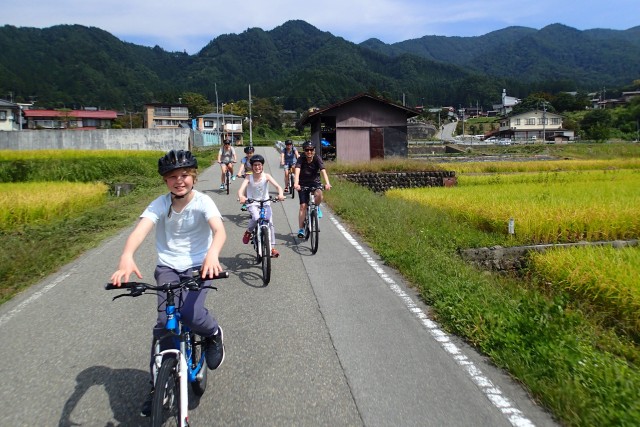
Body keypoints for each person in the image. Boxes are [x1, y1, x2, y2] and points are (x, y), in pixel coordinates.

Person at [109, 149, 227, 417]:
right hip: (168, 267)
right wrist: (127, 255)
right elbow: (140, 230)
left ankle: (213, 334)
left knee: (192, 313)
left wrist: (212, 255)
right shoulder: (160, 204)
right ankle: (157, 387)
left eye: (185, 174)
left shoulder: (204, 202)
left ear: (194, 177)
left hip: (200, 266)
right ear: (165, 181)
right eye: (172, 176)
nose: (179, 180)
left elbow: (219, 231)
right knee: (165, 325)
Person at [237, 154, 285, 258]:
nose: (257, 167)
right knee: (256, 217)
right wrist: (241, 196)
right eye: (255, 165)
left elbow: (278, 187)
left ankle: (271, 247)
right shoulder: (249, 177)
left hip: (266, 202)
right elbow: (241, 190)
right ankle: (249, 231)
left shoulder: (266, 176)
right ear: (252, 166)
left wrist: (280, 194)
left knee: (270, 223)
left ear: (262, 166)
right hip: (253, 202)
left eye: (259, 165)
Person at [293, 141, 332, 238]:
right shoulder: (301, 158)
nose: (309, 152)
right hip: (302, 183)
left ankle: (317, 207)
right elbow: (297, 171)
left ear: (314, 151)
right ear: (304, 151)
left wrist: (327, 183)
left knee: (319, 194)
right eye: (307, 150)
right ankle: (301, 228)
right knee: (303, 206)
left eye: (311, 150)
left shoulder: (317, 158)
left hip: (315, 182)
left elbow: (323, 171)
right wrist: (296, 183)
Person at [237, 145, 255, 210]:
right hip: (247, 174)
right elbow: (242, 166)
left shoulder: (255, 159)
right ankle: (245, 202)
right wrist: (239, 172)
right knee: (246, 187)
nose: (249, 154)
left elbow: (259, 167)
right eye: (248, 153)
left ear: (253, 153)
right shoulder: (244, 159)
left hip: (255, 174)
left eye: (251, 153)